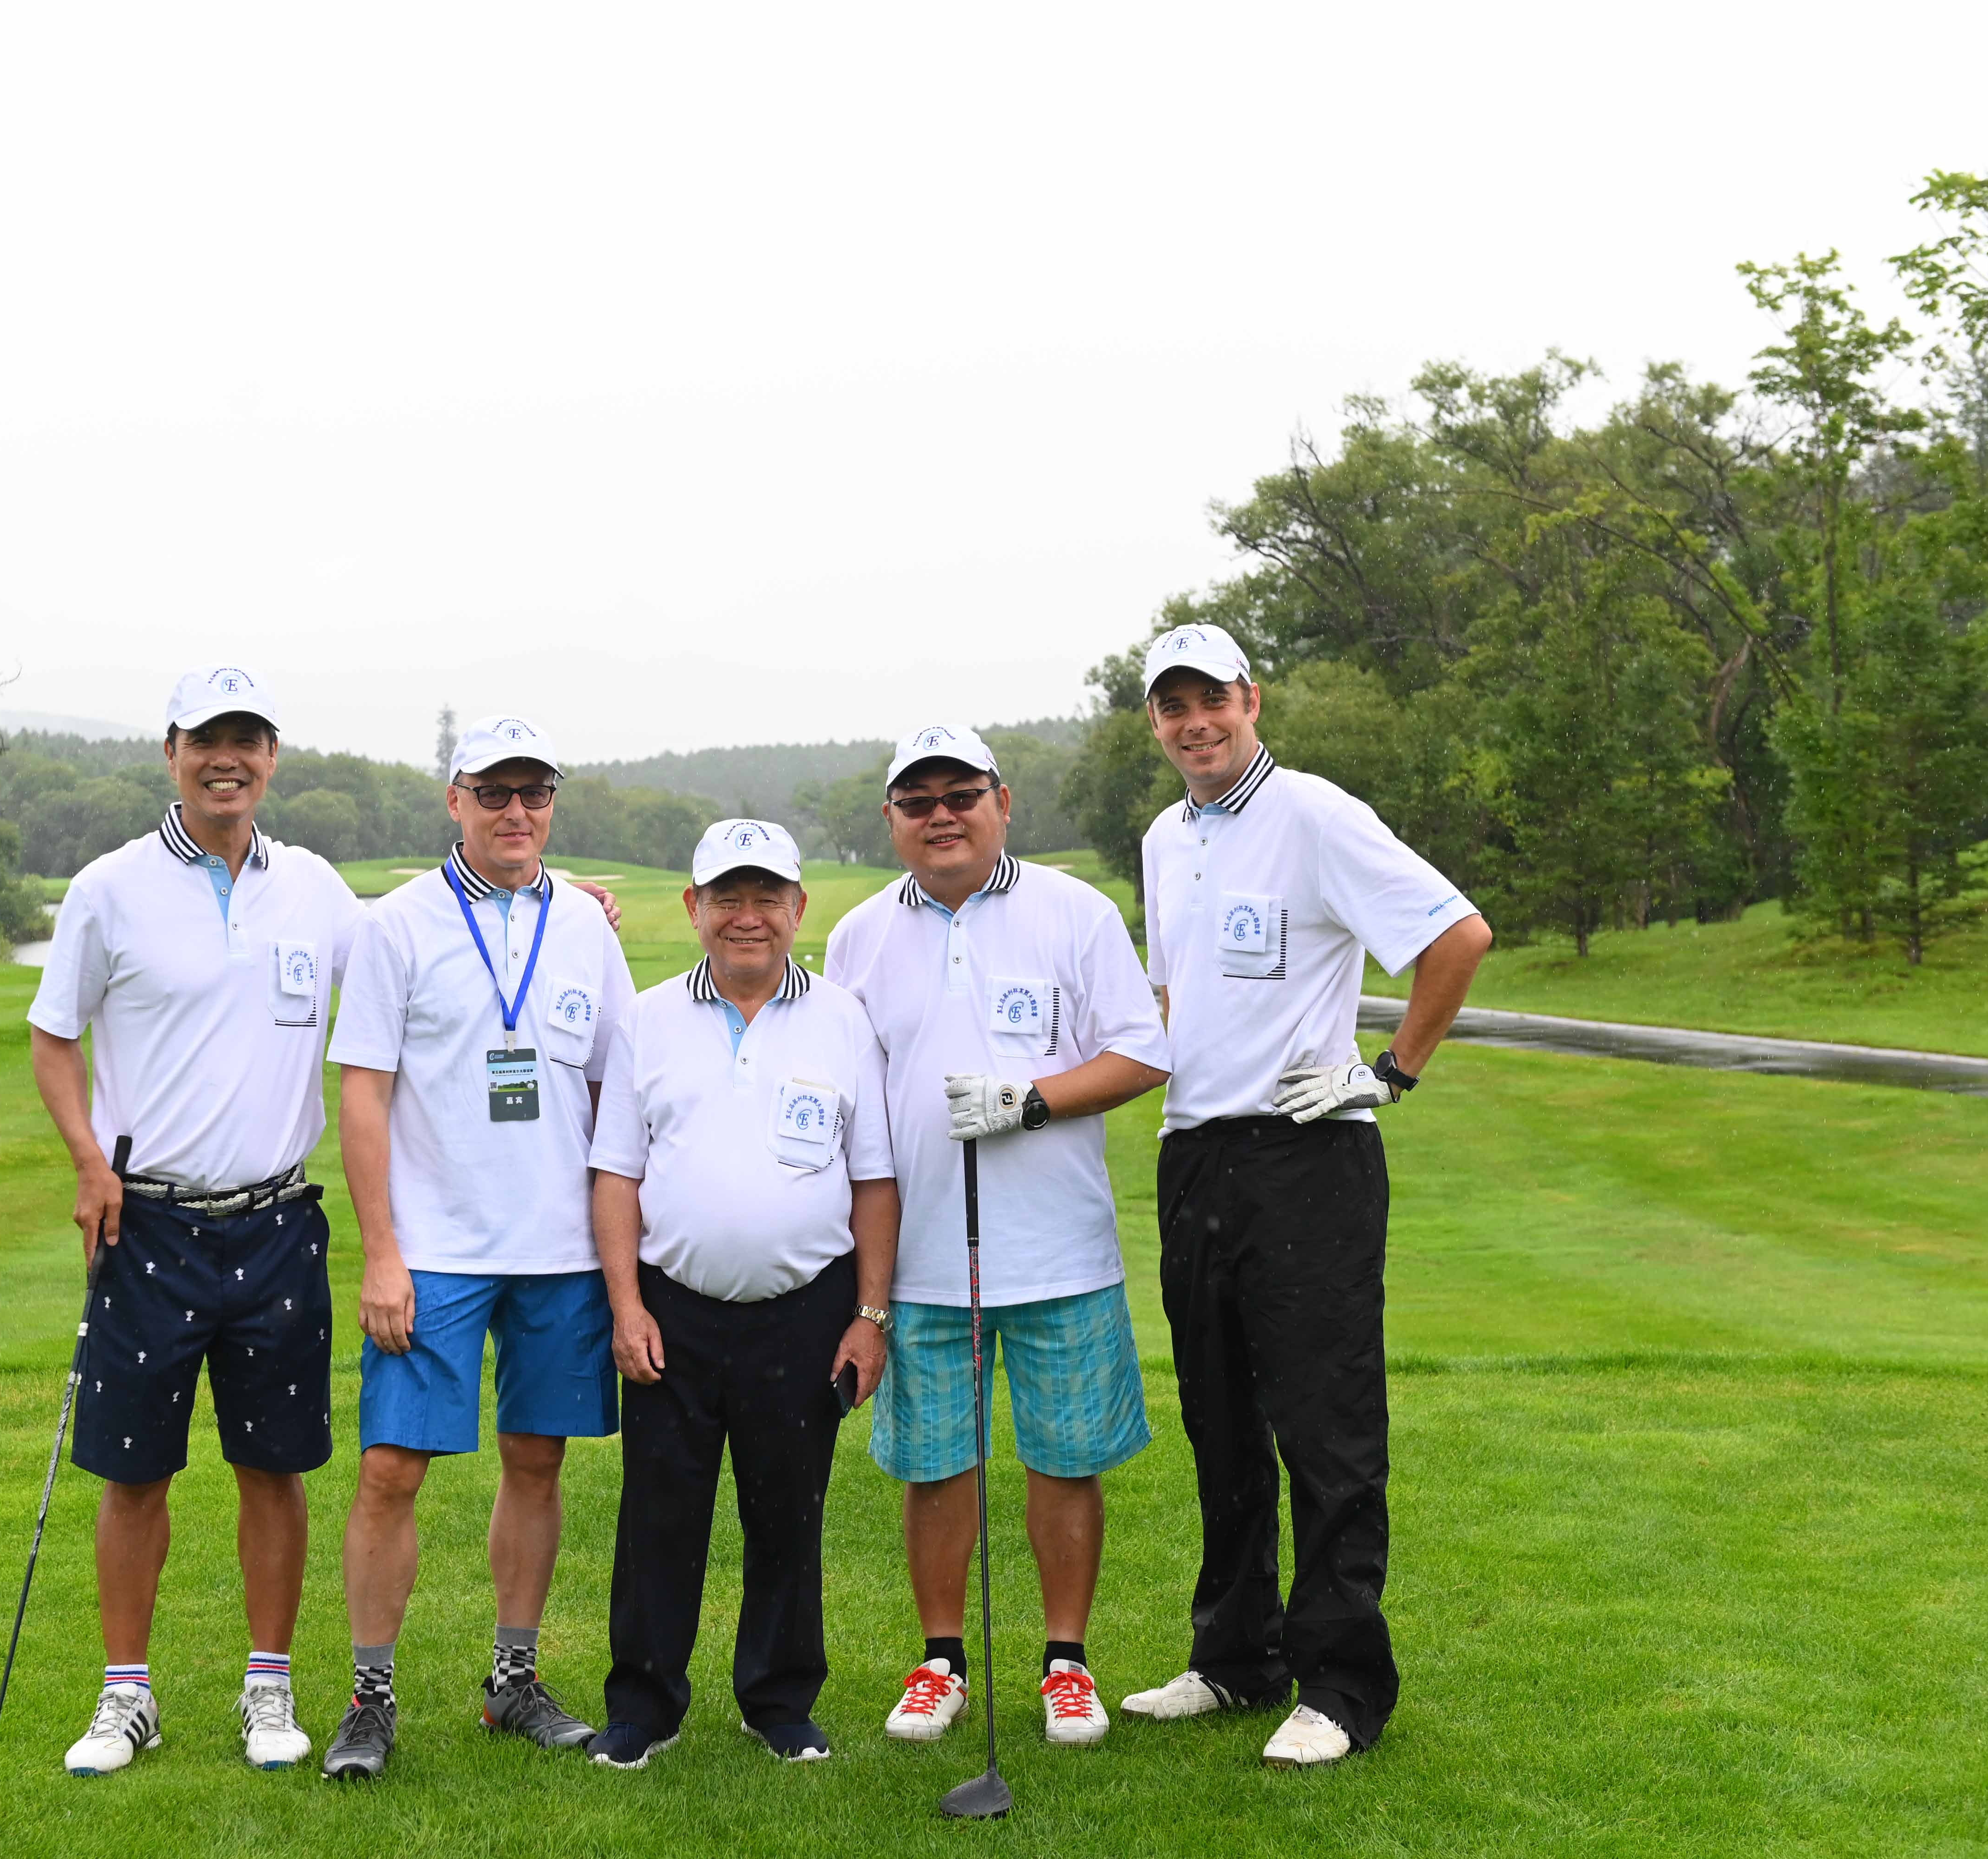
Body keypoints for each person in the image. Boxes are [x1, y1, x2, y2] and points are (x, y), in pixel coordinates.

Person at [1115, 622, 1491, 1768]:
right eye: (1174, 704)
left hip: (1307, 1151)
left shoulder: (1316, 813)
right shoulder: (1164, 836)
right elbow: (1178, 996)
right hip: (1195, 1152)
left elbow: (1458, 935)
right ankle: (1237, 1654)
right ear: (1155, 720)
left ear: (1252, 698)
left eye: (1213, 698)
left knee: (1326, 1426)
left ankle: (1341, 1682)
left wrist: (1391, 1072)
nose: (1196, 722)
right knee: (1220, 1420)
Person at [24, 663, 364, 1778]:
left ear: (272, 756)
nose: (229, 759)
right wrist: (89, 1162)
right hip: (149, 1225)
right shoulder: (109, 887)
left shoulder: (315, 888)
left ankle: (270, 1686)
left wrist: (556, 896)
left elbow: (414, 962)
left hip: (278, 1220)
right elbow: (54, 1036)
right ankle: (128, 1694)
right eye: (208, 738)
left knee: (276, 1464)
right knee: (134, 1471)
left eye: (248, 738)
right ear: (172, 751)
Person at [823, 724, 1170, 1750]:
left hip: (1061, 1248)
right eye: (918, 801)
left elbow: (1143, 1053)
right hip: (922, 1254)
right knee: (937, 1465)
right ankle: (942, 1662)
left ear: (1002, 802)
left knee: (1066, 1459)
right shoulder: (859, 936)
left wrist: (1030, 1100)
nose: (942, 815)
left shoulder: (1074, 911)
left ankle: (1067, 1663)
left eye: (961, 795)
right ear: (892, 818)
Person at [320, 715, 638, 1779]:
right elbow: (363, 1091)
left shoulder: (586, 924)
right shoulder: (399, 923)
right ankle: (371, 1696)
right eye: (494, 792)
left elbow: (616, 1084)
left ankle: (514, 1678)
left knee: (538, 1458)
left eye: (533, 792)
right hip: (436, 1248)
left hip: (561, 1248)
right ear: (456, 799)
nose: (515, 811)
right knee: (390, 1467)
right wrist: (381, 1252)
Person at [581, 820, 901, 1771]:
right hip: (673, 1309)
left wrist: (869, 1315)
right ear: (695, 907)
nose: (747, 916)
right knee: (659, 1515)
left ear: (799, 908)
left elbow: (875, 1180)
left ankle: (779, 1700)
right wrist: (626, 1306)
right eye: (728, 896)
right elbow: (616, 1174)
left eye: (768, 897)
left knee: (788, 1515)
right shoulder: (647, 1019)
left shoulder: (844, 1019)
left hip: (806, 1310)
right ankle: (643, 1706)